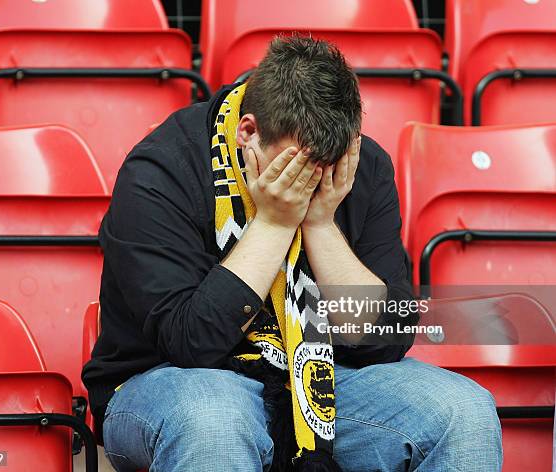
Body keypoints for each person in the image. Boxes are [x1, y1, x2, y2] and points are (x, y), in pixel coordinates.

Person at [82, 36, 502, 471]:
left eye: (326, 170)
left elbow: (386, 340)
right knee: (215, 417)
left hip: (320, 379)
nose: (312, 184)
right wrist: (274, 224)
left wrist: (320, 224)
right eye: (297, 168)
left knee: (462, 412)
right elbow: (191, 343)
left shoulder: (359, 165)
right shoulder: (161, 171)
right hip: (166, 382)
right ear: (248, 133)